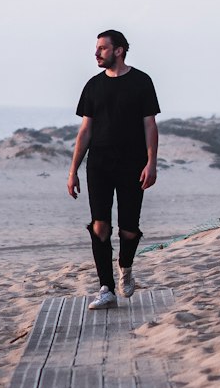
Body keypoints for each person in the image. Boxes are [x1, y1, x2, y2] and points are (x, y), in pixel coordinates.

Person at [66, 29, 160, 310]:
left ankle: (125, 266)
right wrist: (73, 171)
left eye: (103, 48)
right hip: (99, 165)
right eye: (97, 48)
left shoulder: (142, 82)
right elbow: (85, 131)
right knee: (100, 226)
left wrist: (151, 162)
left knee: (129, 230)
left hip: (132, 164)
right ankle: (105, 288)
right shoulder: (93, 86)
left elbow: (150, 125)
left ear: (119, 50)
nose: (97, 53)